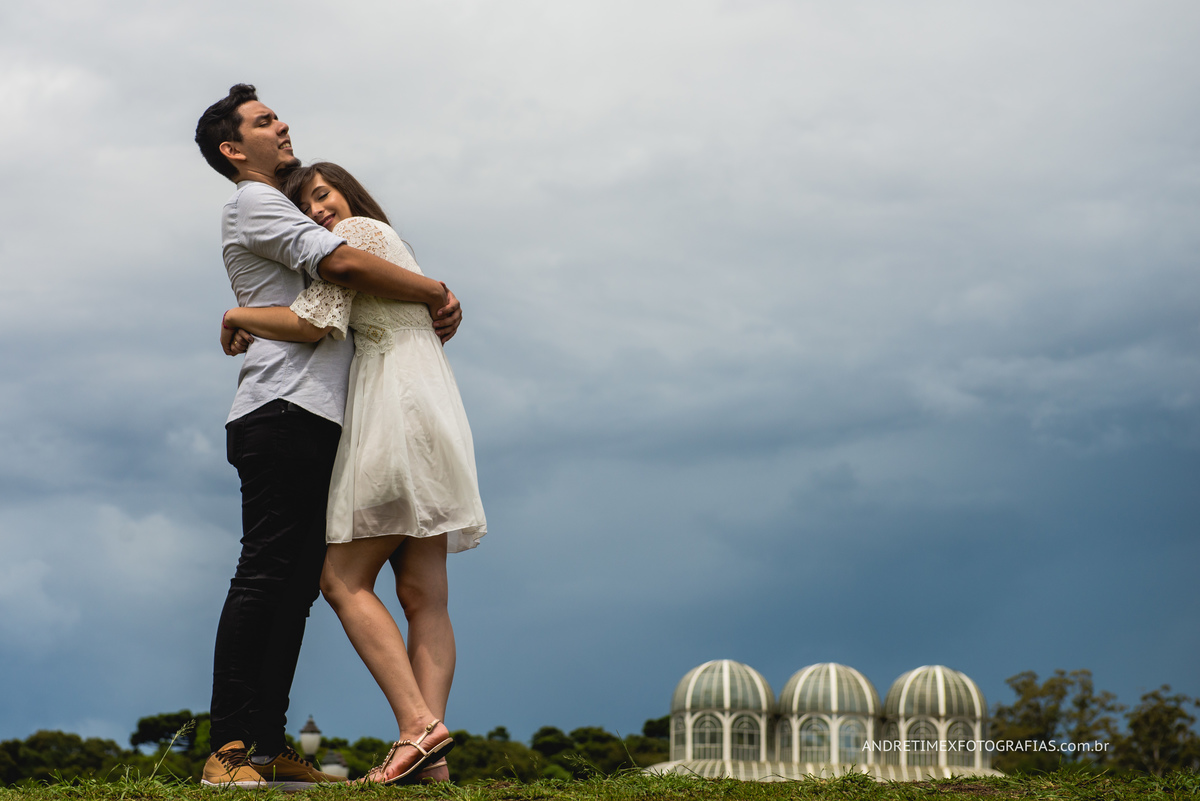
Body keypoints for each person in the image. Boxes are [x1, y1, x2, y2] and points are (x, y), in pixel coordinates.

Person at [194, 84, 461, 790]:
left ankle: (266, 744)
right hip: (282, 406)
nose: (280, 123)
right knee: (265, 576)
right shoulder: (252, 201)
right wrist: (433, 289)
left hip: (321, 416)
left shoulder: (280, 208)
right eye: (262, 120)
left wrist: (428, 294)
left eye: (277, 114)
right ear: (232, 148)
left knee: (295, 589)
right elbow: (336, 273)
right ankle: (228, 747)